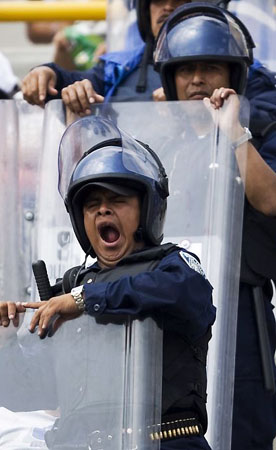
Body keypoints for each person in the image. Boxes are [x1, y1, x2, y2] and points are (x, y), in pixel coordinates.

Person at [0, 117, 215, 450]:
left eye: (117, 200)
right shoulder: (69, 288)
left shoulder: (174, 268)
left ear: (147, 209)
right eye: (91, 205)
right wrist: (6, 341)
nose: (102, 211)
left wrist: (86, 299)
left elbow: (182, 295)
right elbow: (31, 390)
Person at [153, 3, 276, 449]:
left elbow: (270, 199)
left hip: (239, 308)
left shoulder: (258, 129)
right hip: (170, 307)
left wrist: (234, 131)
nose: (198, 80)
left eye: (211, 67)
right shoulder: (160, 141)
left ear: (235, 75)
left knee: (242, 431)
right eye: (186, 70)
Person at [21, 0, 231, 111]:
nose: (168, 7)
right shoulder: (119, 66)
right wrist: (47, 73)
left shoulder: (240, 68)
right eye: (157, 0)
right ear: (144, 11)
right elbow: (67, 83)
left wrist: (195, 112)